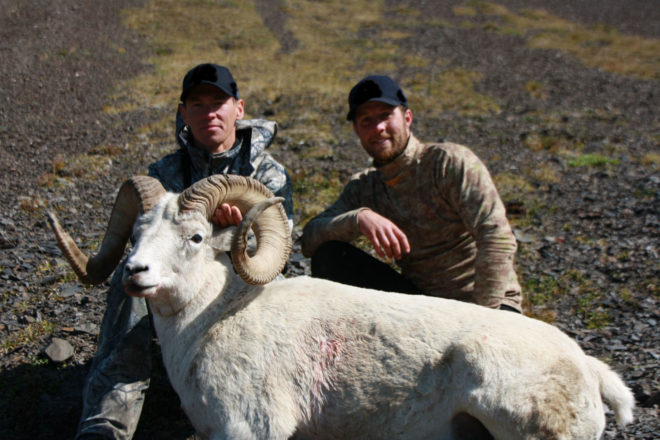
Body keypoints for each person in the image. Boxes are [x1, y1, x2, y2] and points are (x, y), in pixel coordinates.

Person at [76, 63, 293, 439]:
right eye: (197, 103)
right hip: (180, 285)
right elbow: (147, 244)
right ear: (183, 112)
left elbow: (279, 250)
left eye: (218, 102)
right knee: (129, 280)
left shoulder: (268, 175)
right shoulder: (163, 174)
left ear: (238, 109)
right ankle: (107, 420)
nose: (209, 112)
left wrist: (236, 233)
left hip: (241, 280)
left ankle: (259, 404)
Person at [301, 74, 522, 312]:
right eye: (366, 120)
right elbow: (309, 241)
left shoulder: (449, 164)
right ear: (357, 130)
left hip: (489, 307)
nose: (378, 128)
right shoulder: (365, 188)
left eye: (386, 115)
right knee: (330, 256)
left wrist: (483, 319)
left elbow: (497, 237)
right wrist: (358, 219)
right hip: (423, 309)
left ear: (407, 117)